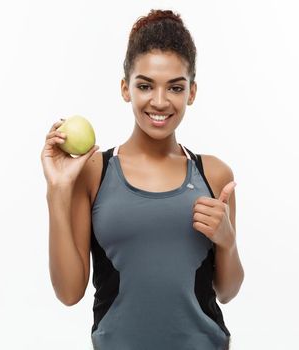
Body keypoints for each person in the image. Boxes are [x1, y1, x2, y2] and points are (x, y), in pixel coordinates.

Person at [40, 9, 244, 350]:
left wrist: (227, 240)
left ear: (191, 92)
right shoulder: (94, 171)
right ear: (125, 88)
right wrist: (57, 190)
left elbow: (227, 291)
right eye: (145, 85)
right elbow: (69, 292)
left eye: (175, 87)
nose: (160, 101)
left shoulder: (214, 174)